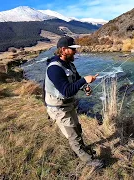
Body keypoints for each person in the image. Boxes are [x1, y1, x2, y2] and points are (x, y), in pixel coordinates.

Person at [45, 36, 103, 168]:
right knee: (73, 135)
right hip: (58, 107)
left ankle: (82, 149)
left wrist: (85, 87)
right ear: (63, 50)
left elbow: (76, 79)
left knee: (77, 128)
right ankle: (89, 161)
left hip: (68, 104)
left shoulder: (69, 64)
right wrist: (84, 81)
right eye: (72, 49)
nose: (75, 52)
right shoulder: (54, 68)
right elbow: (66, 91)